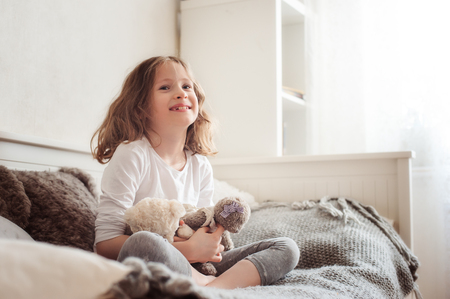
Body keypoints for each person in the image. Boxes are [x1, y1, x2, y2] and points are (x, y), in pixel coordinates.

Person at [91, 56, 299, 289]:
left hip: (200, 265)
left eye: (186, 86)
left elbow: (205, 225)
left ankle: (212, 288)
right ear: (141, 109)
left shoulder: (200, 164)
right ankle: (213, 287)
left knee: (286, 247)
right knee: (142, 243)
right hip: (156, 259)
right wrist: (187, 250)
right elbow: (105, 244)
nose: (181, 93)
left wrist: (209, 243)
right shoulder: (132, 154)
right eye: (165, 87)